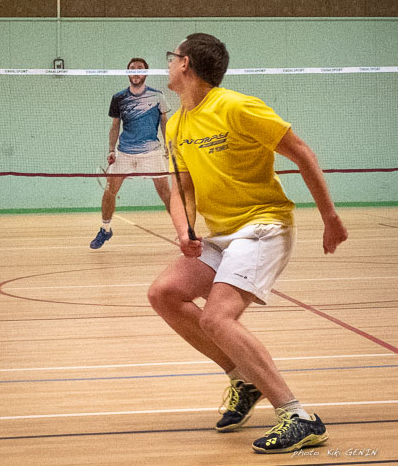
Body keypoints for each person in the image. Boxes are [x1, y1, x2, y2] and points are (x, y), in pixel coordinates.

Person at [148, 33, 348, 454]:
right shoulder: (177, 123)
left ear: (185, 64)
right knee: (164, 293)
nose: (167, 64)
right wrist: (185, 229)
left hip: (263, 226)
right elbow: (184, 187)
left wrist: (330, 217)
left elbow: (302, 153)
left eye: (171, 57)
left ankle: (298, 417)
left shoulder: (237, 107)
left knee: (217, 319)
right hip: (221, 233)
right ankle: (244, 379)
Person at [90, 57, 171, 249]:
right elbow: (115, 125)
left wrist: (168, 145)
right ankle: (105, 229)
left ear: (146, 73)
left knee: (165, 192)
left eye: (140, 68)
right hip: (124, 152)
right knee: (110, 190)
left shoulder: (157, 96)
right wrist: (111, 149)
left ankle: (184, 232)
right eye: (132, 68)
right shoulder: (119, 98)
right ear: (128, 73)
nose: (136, 71)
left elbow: (164, 121)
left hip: (152, 151)